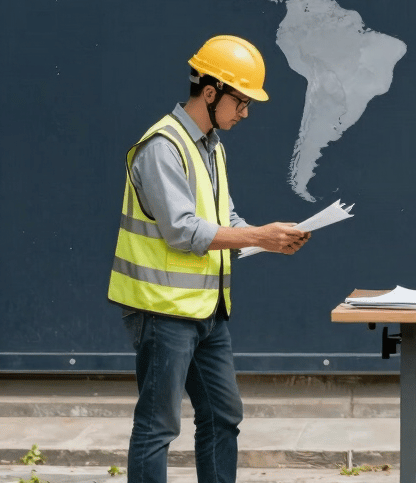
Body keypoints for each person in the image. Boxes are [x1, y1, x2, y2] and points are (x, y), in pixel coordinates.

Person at [108, 35, 311, 483]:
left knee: (223, 415)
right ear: (211, 92)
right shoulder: (163, 146)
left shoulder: (210, 145)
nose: (244, 113)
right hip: (162, 309)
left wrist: (270, 240)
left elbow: (225, 218)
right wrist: (258, 234)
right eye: (241, 101)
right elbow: (182, 229)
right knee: (158, 425)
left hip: (207, 310)